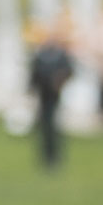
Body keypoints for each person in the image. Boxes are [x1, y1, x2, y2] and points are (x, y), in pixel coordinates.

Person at [29, 27, 75, 170]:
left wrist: (60, 80)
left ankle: (55, 156)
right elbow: (34, 75)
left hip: (55, 95)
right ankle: (46, 156)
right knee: (44, 126)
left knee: (54, 125)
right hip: (43, 95)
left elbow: (69, 71)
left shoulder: (60, 56)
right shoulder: (40, 55)